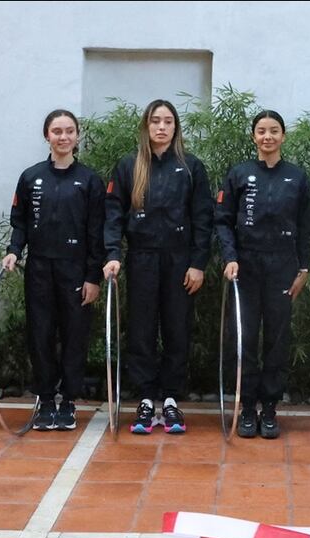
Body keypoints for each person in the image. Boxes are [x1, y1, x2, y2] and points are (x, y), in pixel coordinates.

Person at [103, 99, 213, 435]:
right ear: (146, 126)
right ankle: (146, 400)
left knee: (177, 330)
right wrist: (112, 254)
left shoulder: (191, 166)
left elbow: (203, 218)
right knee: (142, 330)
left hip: (180, 262)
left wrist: (198, 263)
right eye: (155, 121)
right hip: (142, 259)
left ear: (176, 127)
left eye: (167, 121)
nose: (161, 127)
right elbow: (113, 214)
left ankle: (171, 400)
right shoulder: (129, 166)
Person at [214, 110, 310, 439]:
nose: (267, 136)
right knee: (243, 337)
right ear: (253, 136)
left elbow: (306, 227)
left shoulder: (296, 177)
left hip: (282, 265)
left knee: (277, 338)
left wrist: (303, 268)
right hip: (245, 265)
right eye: (261, 131)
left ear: (283, 136)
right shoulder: (239, 173)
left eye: (274, 131)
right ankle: (246, 407)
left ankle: (269, 408)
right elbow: (223, 220)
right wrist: (230, 257)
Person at [2, 109, 105, 431]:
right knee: (40, 334)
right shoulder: (30, 177)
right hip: (39, 268)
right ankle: (46, 400)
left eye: (69, 131)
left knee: (75, 336)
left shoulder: (89, 180)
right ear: (47, 136)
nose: (63, 137)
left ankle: (69, 401)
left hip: (76, 269)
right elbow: (20, 222)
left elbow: (97, 233)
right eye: (57, 131)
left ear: (77, 136)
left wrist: (93, 277)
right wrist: (13, 251)